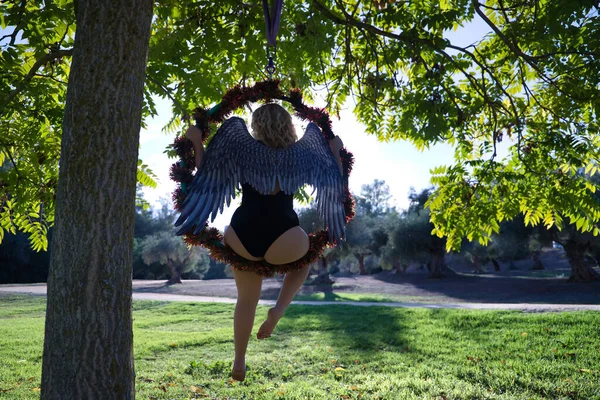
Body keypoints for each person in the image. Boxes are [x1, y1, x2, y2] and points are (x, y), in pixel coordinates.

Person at [184, 103, 344, 382]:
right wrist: (335, 151)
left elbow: (208, 170)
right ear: (288, 125)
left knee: (246, 300)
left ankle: (239, 360)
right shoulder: (303, 150)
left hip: (243, 233)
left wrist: (197, 142)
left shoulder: (242, 145)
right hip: (284, 235)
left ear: (257, 124)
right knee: (304, 261)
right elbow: (337, 181)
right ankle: (278, 310)